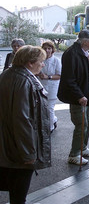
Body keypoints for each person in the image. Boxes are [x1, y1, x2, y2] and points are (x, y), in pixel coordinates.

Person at [0, 45, 51, 204]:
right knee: (18, 194)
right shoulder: (25, 81)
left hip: (6, 146)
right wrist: (28, 152)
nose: (43, 64)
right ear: (30, 63)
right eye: (41, 61)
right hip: (18, 151)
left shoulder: (7, 75)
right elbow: (22, 119)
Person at [58, 30, 89, 165]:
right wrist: (79, 95)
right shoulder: (71, 53)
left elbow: (86, 73)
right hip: (78, 96)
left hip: (85, 94)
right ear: (85, 41)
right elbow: (69, 79)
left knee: (88, 122)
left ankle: (83, 148)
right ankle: (74, 154)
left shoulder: (83, 53)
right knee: (81, 124)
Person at [38, 40, 61, 132]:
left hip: (52, 86)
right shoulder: (40, 59)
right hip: (40, 85)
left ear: (52, 50)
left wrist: (48, 77)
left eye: (49, 48)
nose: (47, 50)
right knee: (41, 107)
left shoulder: (56, 61)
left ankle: (50, 127)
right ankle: (53, 120)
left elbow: (59, 75)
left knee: (50, 107)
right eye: (45, 48)